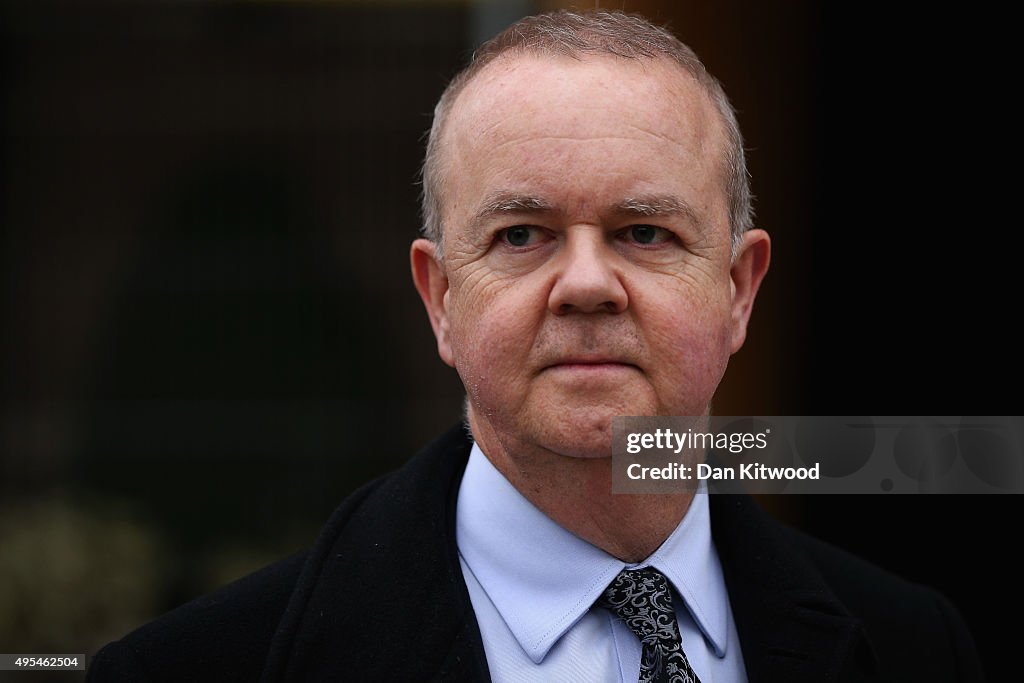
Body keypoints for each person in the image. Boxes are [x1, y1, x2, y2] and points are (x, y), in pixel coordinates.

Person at [87, 10, 984, 682]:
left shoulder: (915, 646)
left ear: (740, 290)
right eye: (522, 234)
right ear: (440, 299)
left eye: (643, 232)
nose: (586, 284)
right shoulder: (192, 669)